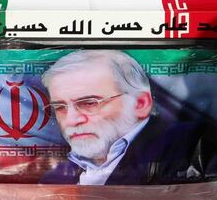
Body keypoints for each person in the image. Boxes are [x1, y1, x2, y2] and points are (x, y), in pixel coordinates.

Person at [39, 51, 201, 186]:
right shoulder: (54, 179)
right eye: (60, 107)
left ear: (140, 103)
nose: (71, 120)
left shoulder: (190, 148)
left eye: (89, 103)